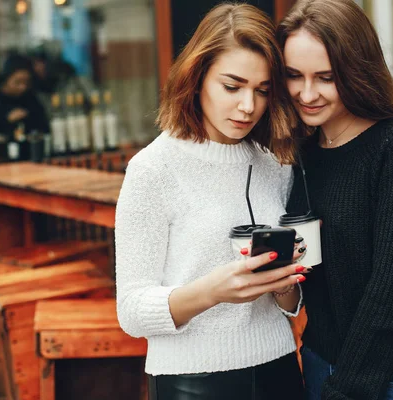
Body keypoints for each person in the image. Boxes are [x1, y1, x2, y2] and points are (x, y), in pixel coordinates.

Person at [115, 4, 306, 400]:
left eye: (262, 90)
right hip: (192, 381)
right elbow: (131, 311)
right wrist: (214, 291)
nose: (248, 106)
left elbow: (290, 303)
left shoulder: (275, 164)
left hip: (279, 368)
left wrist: (285, 284)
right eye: (232, 86)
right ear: (197, 77)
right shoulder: (153, 168)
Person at [277, 1, 393, 399]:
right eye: (294, 76)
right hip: (322, 361)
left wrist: (346, 390)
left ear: (356, 70)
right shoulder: (306, 154)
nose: (306, 93)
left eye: (325, 77)